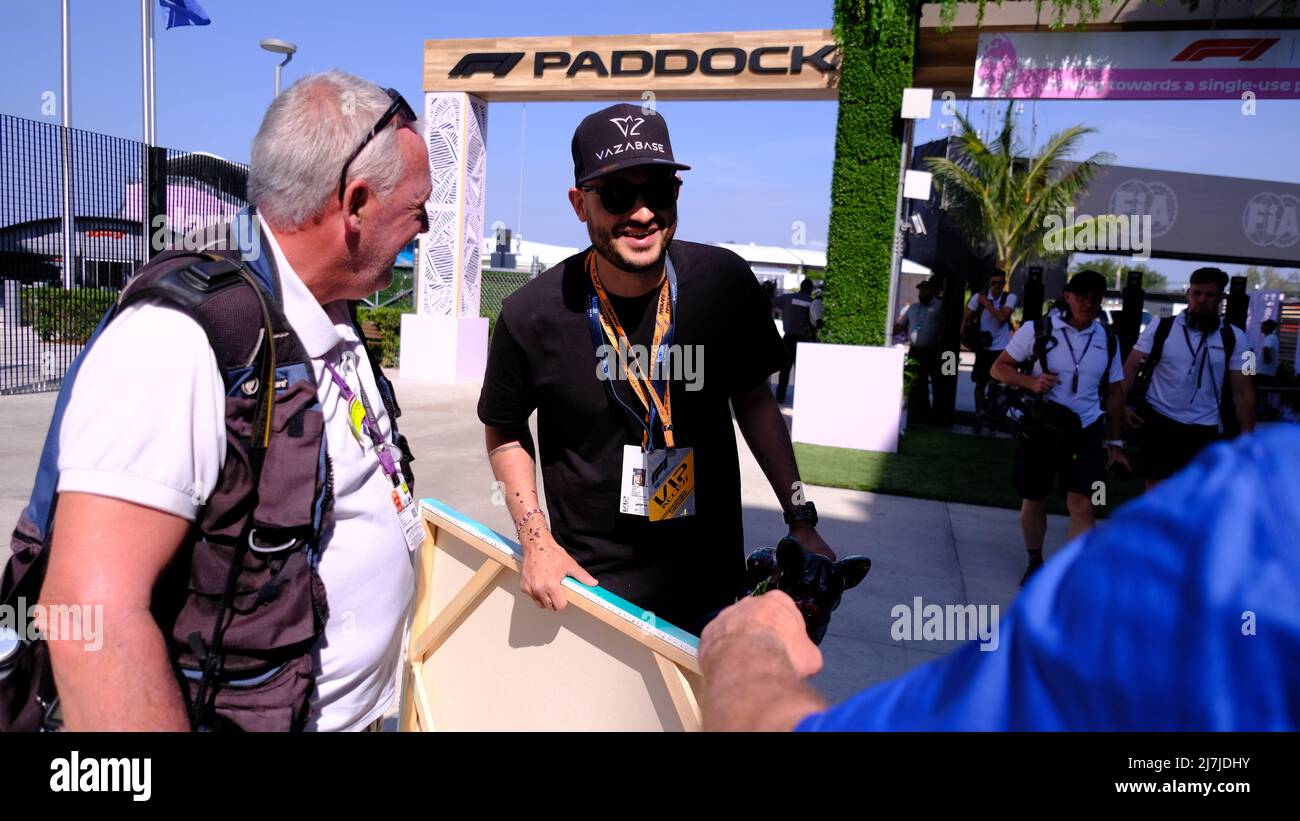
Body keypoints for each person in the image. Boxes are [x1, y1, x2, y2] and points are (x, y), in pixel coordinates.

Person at [27, 71, 430, 731]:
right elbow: (90, 613)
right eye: (419, 209)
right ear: (356, 203)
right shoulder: (181, 339)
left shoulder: (332, 310)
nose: (426, 227)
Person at [477, 103, 834, 636]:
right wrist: (536, 540)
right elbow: (504, 429)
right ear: (579, 204)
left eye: (660, 191)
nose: (642, 213)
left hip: (714, 588)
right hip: (589, 593)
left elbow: (755, 402)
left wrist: (800, 517)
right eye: (618, 194)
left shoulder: (725, 282)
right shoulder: (531, 314)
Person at [698, 424, 1300, 731]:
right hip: (1051, 436)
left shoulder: (1251, 523)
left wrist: (747, 647)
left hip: (1088, 439)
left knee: (1082, 504)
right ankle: (1040, 560)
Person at [990, 270, 1130, 586]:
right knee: (1034, 498)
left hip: (1086, 430)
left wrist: (1115, 441)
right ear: (1068, 296)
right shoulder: (1037, 329)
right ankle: (1035, 560)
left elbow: (1116, 391)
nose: (1089, 304)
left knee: (1082, 503)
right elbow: (997, 368)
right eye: (1082, 297)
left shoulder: (1107, 338)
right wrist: (1031, 381)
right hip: (1041, 427)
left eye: (1096, 298)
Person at [1122, 267, 1254, 490]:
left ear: (1222, 298)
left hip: (1206, 426)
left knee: (1200, 493)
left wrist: (1249, 440)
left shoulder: (1236, 337)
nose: (1202, 300)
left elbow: (1244, 392)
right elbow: (1129, 369)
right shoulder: (1160, 326)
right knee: (1157, 490)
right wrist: (1122, 406)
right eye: (1197, 293)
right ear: (1188, 294)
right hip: (1160, 419)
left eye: (1210, 295)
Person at [963, 270, 1017, 432]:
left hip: (1001, 348)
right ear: (989, 283)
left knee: (998, 385)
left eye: (1000, 283)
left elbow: (1001, 318)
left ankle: (994, 416)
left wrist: (987, 303)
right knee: (980, 382)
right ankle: (978, 414)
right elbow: (966, 317)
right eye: (994, 283)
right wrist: (962, 336)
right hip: (983, 347)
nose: (997, 286)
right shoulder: (978, 297)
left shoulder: (1009, 298)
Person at [894, 277, 946, 425]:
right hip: (915, 351)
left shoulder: (940, 306)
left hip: (933, 351)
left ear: (932, 291)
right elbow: (900, 325)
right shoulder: (913, 308)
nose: (922, 292)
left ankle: (938, 414)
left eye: (926, 289)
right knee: (918, 382)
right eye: (921, 290)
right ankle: (922, 412)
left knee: (937, 382)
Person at [773, 278, 821, 403]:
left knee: (784, 370)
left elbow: (772, 302)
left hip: (788, 338)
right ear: (810, 289)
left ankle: (780, 397)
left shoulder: (787, 298)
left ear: (801, 286)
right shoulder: (812, 302)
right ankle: (802, 400)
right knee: (802, 372)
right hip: (804, 341)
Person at [1255, 319, 1281, 420]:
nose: (1261, 327)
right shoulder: (1271, 337)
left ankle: (1260, 413)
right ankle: (1262, 413)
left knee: (1260, 393)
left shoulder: (1270, 338)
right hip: (1265, 372)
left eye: (1263, 326)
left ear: (1268, 328)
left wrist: (1266, 359)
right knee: (1262, 393)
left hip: (1263, 372)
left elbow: (1266, 348)